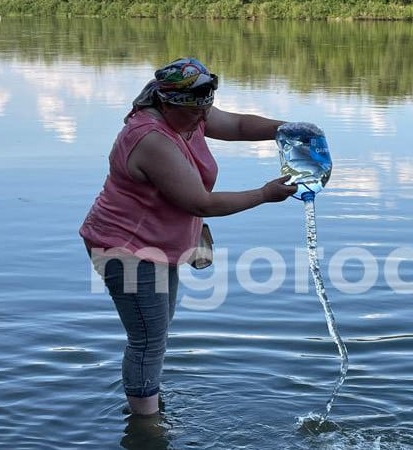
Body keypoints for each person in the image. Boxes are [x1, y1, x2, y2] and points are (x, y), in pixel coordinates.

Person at [79, 57, 297, 417]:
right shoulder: (150, 139)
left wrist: (290, 129)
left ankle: (147, 401)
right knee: (148, 339)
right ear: (166, 103)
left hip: (160, 242)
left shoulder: (190, 108)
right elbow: (200, 202)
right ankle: (146, 424)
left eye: (205, 110)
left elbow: (240, 126)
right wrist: (263, 194)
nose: (202, 120)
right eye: (195, 113)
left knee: (156, 334)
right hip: (126, 247)